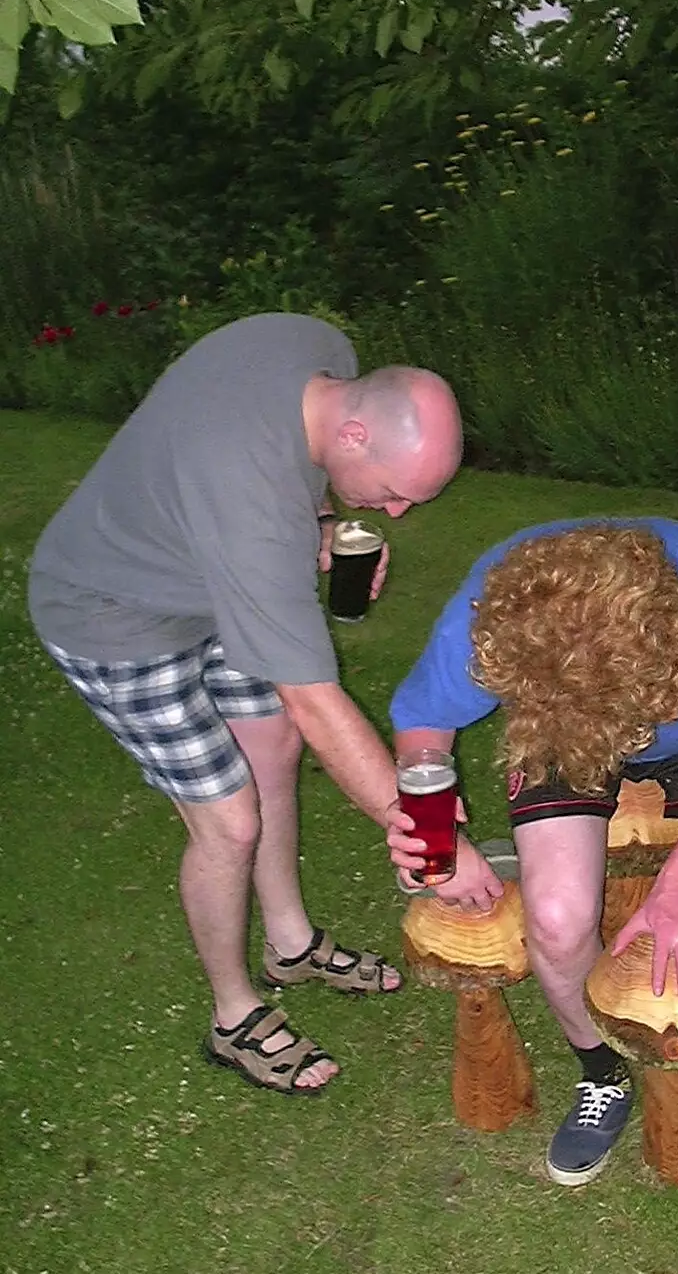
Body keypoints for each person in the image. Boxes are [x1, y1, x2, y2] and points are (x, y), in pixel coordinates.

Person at [29, 312, 463, 1096]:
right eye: (397, 496)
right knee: (228, 819)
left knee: (270, 744)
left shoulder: (313, 347)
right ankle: (234, 1016)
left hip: (207, 577)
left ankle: (289, 944)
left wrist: (325, 520)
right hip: (111, 613)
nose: (395, 514)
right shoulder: (253, 509)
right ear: (359, 434)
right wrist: (429, 840)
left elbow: (285, 476)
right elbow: (318, 703)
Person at [387, 518, 678, 1184]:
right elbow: (424, 717)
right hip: (559, 728)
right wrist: (431, 822)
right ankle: (602, 1072)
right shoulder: (504, 603)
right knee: (559, 922)